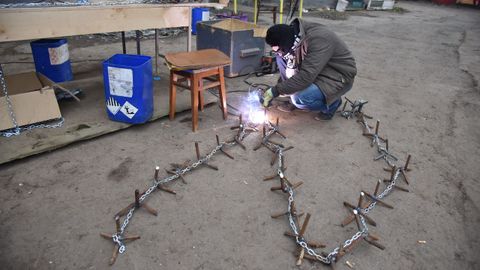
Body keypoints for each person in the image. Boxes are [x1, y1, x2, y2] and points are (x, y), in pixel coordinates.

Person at [262, 18, 357, 120]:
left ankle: (332, 104)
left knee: (300, 98)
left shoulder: (319, 39)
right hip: (317, 69)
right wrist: (283, 89)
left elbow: (306, 76)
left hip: (337, 75)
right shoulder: (294, 37)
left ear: (286, 42)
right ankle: (291, 95)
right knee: (281, 57)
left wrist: (277, 90)